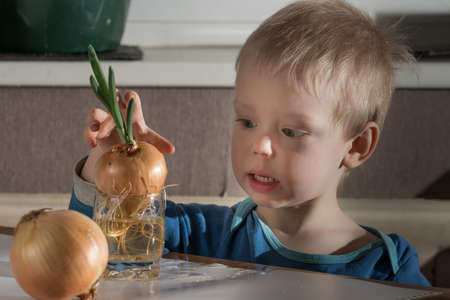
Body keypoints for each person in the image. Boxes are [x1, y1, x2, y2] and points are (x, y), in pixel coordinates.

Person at [69, 0, 430, 286]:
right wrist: (105, 159)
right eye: (247, 122)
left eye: (290, 131)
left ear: (356, 146)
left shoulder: (388, 269)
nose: (262, 146)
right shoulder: (203, 234)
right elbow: (93, 248)